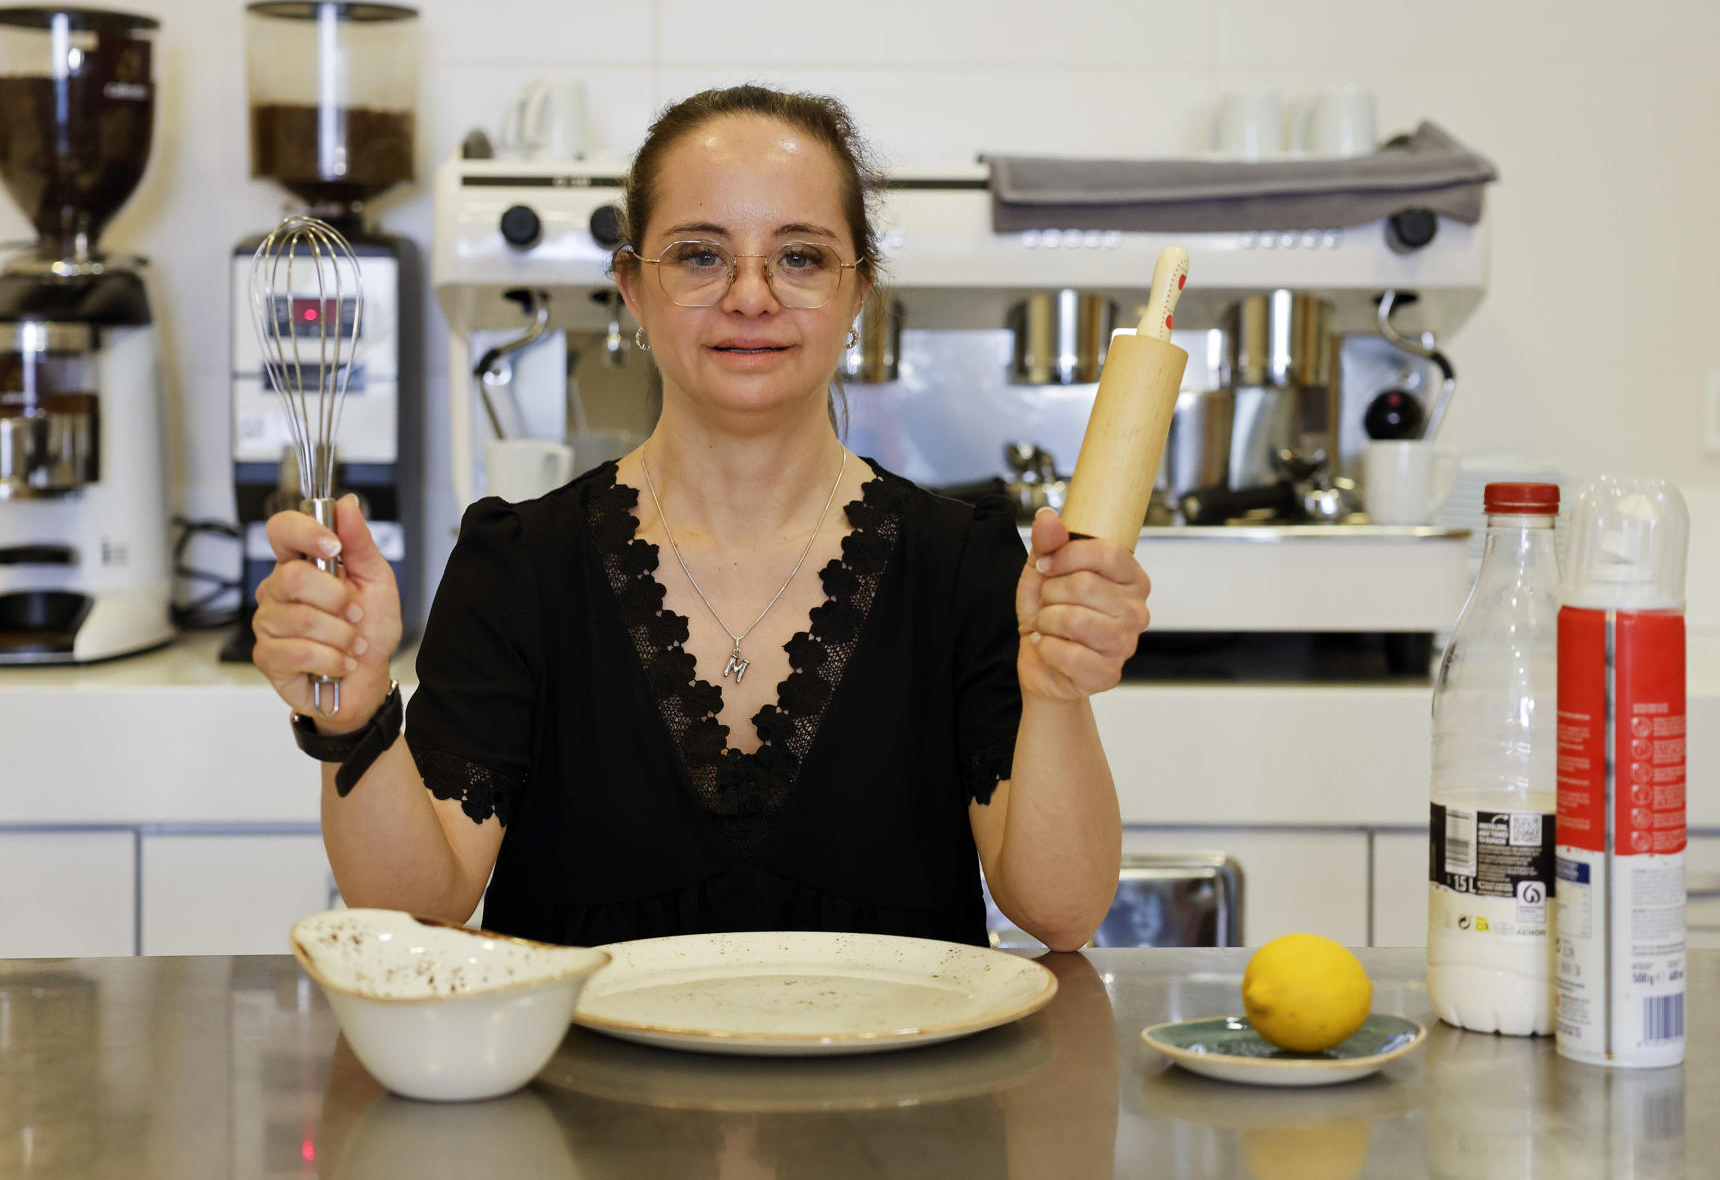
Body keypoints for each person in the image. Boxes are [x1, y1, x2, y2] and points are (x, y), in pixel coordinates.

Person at [253, 86, 1148, 951]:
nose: (750, 295)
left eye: (799, 255)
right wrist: (356, 712)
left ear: (857, 292)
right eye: (699, 254)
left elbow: (1061, 913)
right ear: (633, 289)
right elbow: (420, 909)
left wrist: (1057, 693)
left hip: (903, 1107)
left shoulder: (963, 567)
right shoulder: (519, 565)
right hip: (581, 1106)